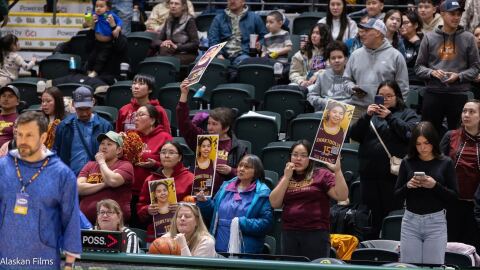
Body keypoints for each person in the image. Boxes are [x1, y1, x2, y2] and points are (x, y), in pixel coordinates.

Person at [0, 111, 81, 269]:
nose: (22, 141)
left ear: (43, 138)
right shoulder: (2, 168)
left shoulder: (62, 174)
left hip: (43, 261)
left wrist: (69, 264)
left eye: (29, 135)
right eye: (20, 134)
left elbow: (71, 220)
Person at [350, 80, 420, 235]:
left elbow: (410, 135)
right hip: (368, 176)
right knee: (370, 219)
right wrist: (365, 116)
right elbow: (354, 135)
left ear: (397, 97)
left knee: (392, 216)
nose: (385, 99)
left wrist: (390, 117)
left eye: (389, 95)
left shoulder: (407, 114)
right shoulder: (369, 115)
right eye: (381, 95)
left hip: (393, 177)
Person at [269, 140, 348, 260]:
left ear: (310, 158)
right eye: (295, 155)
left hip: (315, 233)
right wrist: (286, 177)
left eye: (303, 155)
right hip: (289, 232)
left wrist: (337, 171)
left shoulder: (322, 174)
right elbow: (274, 203)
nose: (298, 158)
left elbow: (341, 196)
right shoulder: (286, 177)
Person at [395, 121, 458, 265]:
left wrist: (435, 185)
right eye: (418, 144)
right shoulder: (407, 161)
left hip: (436, 222)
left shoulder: (446, 162)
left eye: (426, 143)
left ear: (434, 142)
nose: (422, 148)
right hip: (410, 221)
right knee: (409, 267)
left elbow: (454, 197)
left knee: (434, 266)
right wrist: (408, 186)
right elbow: (396, 195)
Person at [414, 0, 480, 135]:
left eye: (459, 14)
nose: (456, 17)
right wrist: (432, 72)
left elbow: (475, 68)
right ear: (442, 14)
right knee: (428, 136)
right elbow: (418, 67)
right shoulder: (429, 37)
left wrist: (459, 76)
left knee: (458, 136)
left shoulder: (469, 38)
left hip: (458, 94)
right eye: (452, 14)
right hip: (433, 92)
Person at [177, 80, 248, 196]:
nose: (210, 127)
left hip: (225, 196)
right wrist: (183, 95)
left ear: (226, 128)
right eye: (209, 123)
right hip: (200, 194)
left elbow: (248, 173)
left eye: (214, 124)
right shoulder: (201, 139)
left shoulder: (239, 147)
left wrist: (231, 171)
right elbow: (184, 124)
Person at [197, 155, 272, 253]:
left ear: (256, 172)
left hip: (245, 253)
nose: (241, 169)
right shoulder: (225, 187)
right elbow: (213, 215)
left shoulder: (262, 192)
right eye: (240, 165)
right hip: (218, 249)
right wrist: (204, 203)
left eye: (247, 167)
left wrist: (241, 223)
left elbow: (266, 224)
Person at [344, 18, 409, 122]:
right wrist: (352, 88)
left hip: (383, 112)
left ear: (378, 33)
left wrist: (393, 113)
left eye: (367, 31)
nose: (362, 34)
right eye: (362, 31)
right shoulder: (355, 55)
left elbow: (403, 89)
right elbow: (346, 80)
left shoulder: (396, 56)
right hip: (357, 110)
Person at [441, 100, 480, 251]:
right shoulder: (450, 136)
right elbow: (438, 165)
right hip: (452, 203)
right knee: (449, 248)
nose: (466, 115)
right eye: (464, 111)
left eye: (472, 112)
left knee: (473, 249)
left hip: (476, 206)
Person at [138, 141, 194, 241]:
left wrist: (181, 207)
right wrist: (147, 209)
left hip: (184, 235)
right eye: (163, 152)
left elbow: (198, 208)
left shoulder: (190, 178)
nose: (166, 156)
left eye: (171, 153)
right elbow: (140, 208)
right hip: (156, 237)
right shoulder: (150, 179)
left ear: (180, 157)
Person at [77, 131, 133, 224]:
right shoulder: (90, 165)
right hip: (85, 223)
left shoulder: (125, 165)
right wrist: (104, 184)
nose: (104, 146)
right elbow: (78, 188)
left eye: (109, 144)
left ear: (118, 150)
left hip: (114, 225)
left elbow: (112, 181)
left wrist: (102, 162)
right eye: (102, 143)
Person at [54, 86, 113, 175]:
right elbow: (56, 153)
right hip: (70, 177)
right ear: (73, 104)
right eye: (80, 109)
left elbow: (112, 156)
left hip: (96, 177)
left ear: (93, 102)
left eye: (87, 108)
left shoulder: (105, 126)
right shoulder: (64, 126)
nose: (84, 113)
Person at [131, 104, 173, 226]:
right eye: (135, 115)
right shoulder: (131, 137)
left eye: (141, 114)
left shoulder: (164, 137)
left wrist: (156, 165)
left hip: (154, 193)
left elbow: (173, 162)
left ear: (153, 120)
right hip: (132, 193)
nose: (136, 118)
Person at [207, 0, 267, 66]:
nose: (232, 1)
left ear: (243, 2)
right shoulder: (218, 18)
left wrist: (259, 44)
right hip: (222, 55)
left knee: (245, 62)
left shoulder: (255, 17)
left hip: (244, 55)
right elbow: (213, 40)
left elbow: (264, 37)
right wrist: (218, 55)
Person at [307, 40, 350, 112]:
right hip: (324, 112)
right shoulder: (322, 76)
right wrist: (325, 102)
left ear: (345, 59)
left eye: (340, 57)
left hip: (346, 113)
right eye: (333, 58)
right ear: (329, 61)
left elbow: (357, 99)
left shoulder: (352, 76)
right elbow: (311, 96)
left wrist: (343, 104)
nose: (336, 60)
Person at [155, 0, 199, 65]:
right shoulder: (168, 20)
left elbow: (195, 43)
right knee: (161, 53)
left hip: (185, 53)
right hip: (169, 52)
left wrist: (176, 46)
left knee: (165, 58)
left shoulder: (189, 20)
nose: (173, 6)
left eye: (176, 4)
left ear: (183, 6)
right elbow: (157, 40)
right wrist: (163, 43)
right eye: (171, 3)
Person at [86, 0, 123, 78]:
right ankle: (89, 70)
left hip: (107, 44)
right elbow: (85, 24)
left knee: (101, 58)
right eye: (97, 6)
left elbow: (120, 21)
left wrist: (117, 29)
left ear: (108, 8)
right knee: (91, 57)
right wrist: (90, 20)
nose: (98, 8)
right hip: (96, 42)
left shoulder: (110, 15)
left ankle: (95, 72)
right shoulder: (94, 14)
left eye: (101, 6)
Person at [289, 23, 332, 89]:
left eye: (317, 33)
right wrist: (301, 81)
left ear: (325, 36)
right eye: (313, 33)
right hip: (304, 83)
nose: (314, 36)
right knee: (292, 86)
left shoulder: (332, 52)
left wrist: (317, 75)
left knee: (312, 88)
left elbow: (332, 70)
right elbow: (294, 72)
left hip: (324, 84)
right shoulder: (302, 52)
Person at [400, 11, 423, 82]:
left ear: (415, 25)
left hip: (418, 82)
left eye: (406, 23)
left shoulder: (425, 40)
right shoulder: (398, 42)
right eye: (400, 23)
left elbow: (425, 63)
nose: (401, 26)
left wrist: (417, 43)